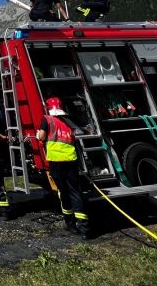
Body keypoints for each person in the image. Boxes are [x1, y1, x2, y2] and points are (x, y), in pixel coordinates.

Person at [36, 97, 89, 238]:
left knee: (63, 192)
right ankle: (84, 228)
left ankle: (71, 225)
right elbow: (73, 138)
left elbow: (41, 137)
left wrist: (38, 135)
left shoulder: (47, 119)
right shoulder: (67, 121)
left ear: (48, 108)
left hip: (56, 161)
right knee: (75, 192)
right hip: (71, 160)